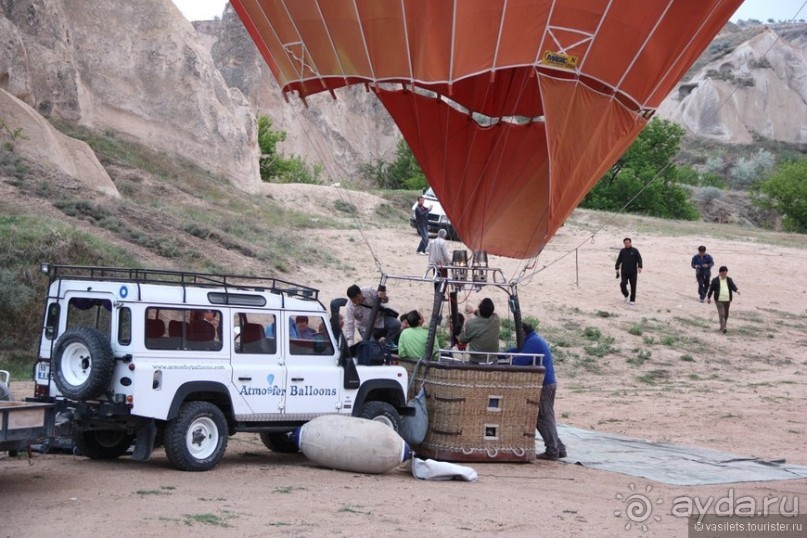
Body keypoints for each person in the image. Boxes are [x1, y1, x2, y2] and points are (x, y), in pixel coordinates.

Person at [509, 322, 566, 461]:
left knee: (543, 417)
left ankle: (553, 450)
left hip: (544, 384)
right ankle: (559, 447)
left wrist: (507, 356)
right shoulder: (533, 340)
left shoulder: (533, 342)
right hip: (548, 383)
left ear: (523, 332)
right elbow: (518, 351)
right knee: (546, 417)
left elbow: (520, 361)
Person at [458, 298, 500, 364]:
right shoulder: (496, 319)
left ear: (479, 309)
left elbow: (461, 340)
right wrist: (473, 311)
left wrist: (465, 322)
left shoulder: (471, 324)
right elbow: (486, 314)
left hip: (476, 361)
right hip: (493, 360)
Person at [707, 266, 740, 334]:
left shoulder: (729, 279)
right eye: (723, 273)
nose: (724, 274)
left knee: (726, 314)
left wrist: (737, 290)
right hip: (718, 299)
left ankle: (723, 326)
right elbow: (711, 289)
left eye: (725, 273)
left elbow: (733, 286)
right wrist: (709, 298)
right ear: (720, 273)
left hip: (727, 299)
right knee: (722, 313)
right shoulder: (715, 280)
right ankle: (724, 327)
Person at [615, 237, 643, 305]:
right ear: (624, 244)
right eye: (625, 243)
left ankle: (632, 299)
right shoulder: (622, 251)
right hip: (624, 271)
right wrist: (617, 268)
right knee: (623, 284)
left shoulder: (635, 250)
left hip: (633, 272)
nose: (627, 244)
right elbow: (619, 260)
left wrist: (639, 267)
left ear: (630, 243)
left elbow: (639, 259)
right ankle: (626, 294)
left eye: (628, 243)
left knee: (633, 286)